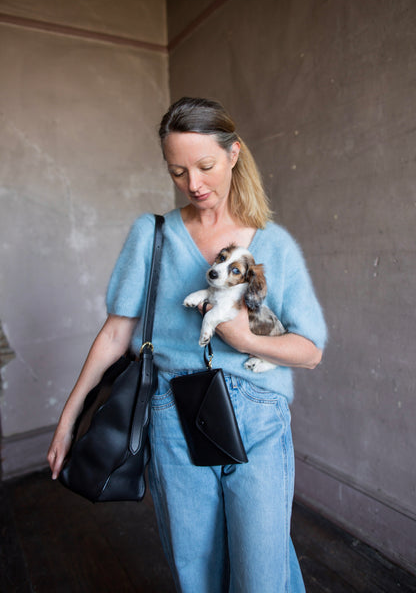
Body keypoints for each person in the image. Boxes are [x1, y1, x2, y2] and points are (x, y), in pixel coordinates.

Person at [48, 97, 327, 593]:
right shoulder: (152, 234)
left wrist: (242, 338)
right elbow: (116, 334)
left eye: (205, 166)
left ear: (234, 155)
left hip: (259, 420)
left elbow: (311, 351)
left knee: (262, 576)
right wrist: (69, 420)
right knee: (195, 573)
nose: (193, 184)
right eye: (177, 171)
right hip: (172, 417)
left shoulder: (274, 244)